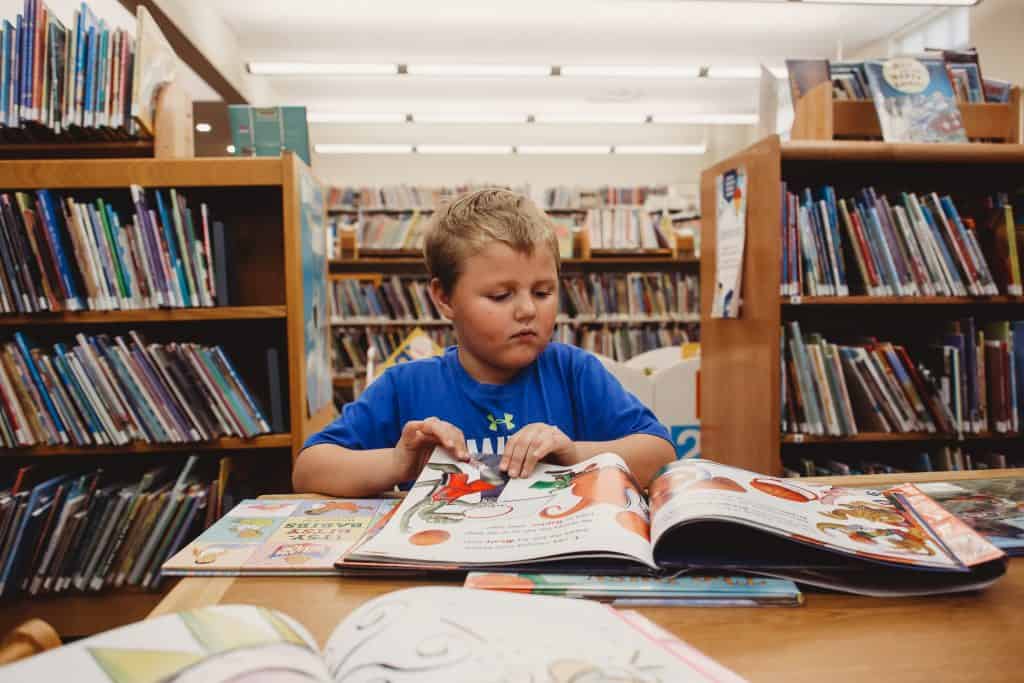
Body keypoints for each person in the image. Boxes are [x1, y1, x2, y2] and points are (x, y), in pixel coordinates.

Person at [293, 189, 676, 497]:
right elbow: (310, 469)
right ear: (444, 298)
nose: (527, 310)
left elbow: (660, 454)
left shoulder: (574, 372)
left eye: (543, 292)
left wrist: (575, 455)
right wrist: (398, 463)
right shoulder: (405, 385)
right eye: (500, 296)